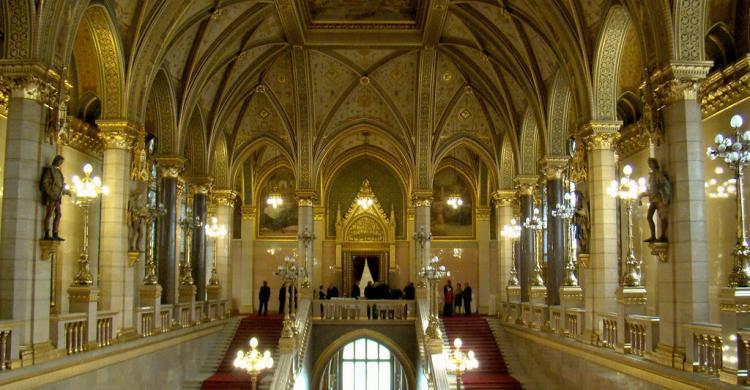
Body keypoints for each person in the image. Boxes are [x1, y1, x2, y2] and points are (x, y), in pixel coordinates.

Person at [40, 155, 70, 241]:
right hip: (52, 196)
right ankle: (47, 233)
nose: (61, 163)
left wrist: (66, 191)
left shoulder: (58, 171)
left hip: (58, 196)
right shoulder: (50, 170)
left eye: (62, 162)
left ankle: (55, 233)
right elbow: (45, 182)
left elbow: (60, 185)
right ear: (56, 160)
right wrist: (50, 193)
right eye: (60, 161)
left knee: (59, 214)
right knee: (49, 214)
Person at [640, 158, 670, 242]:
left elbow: (663, 183)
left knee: (662, 217)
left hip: (659, 198)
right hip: (653, 199)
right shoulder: (651, 175)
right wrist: (643, 194)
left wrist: (658, 189)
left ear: (654, 163)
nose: (649, 165)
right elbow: (650, 189)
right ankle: (653, 236)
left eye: (650, 163)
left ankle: (663, 235)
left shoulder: (658, 173)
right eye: (648, 163)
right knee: (649, 217)